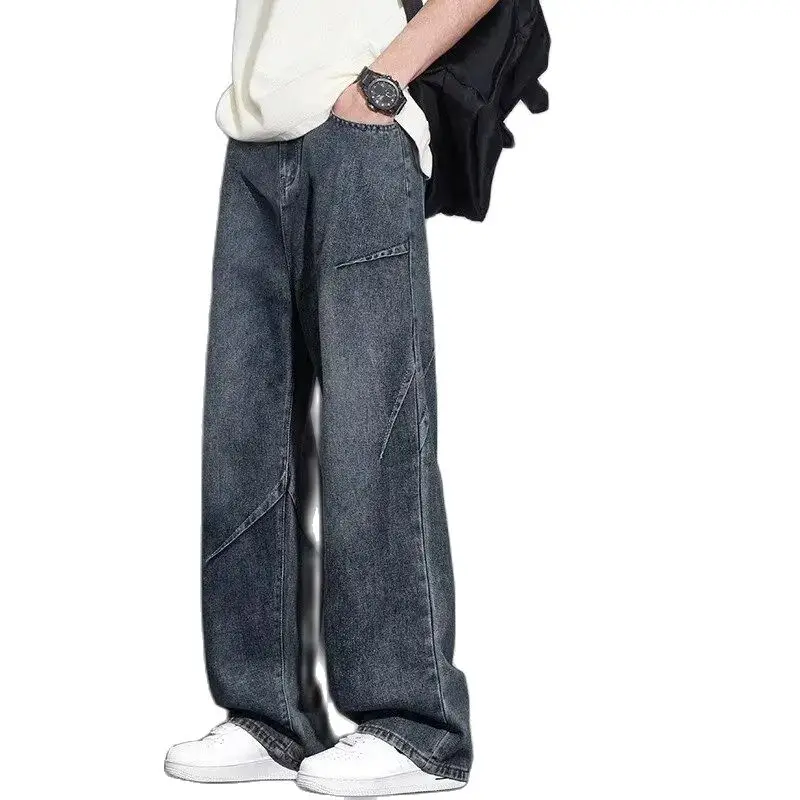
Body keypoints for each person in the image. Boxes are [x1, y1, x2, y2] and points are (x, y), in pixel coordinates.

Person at [165, 0, 499, 794]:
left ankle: (415, 727)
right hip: (255, 137)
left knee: (372, 433)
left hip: (359, 131)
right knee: (242, 439)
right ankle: (268, 714)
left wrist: (381, 85)